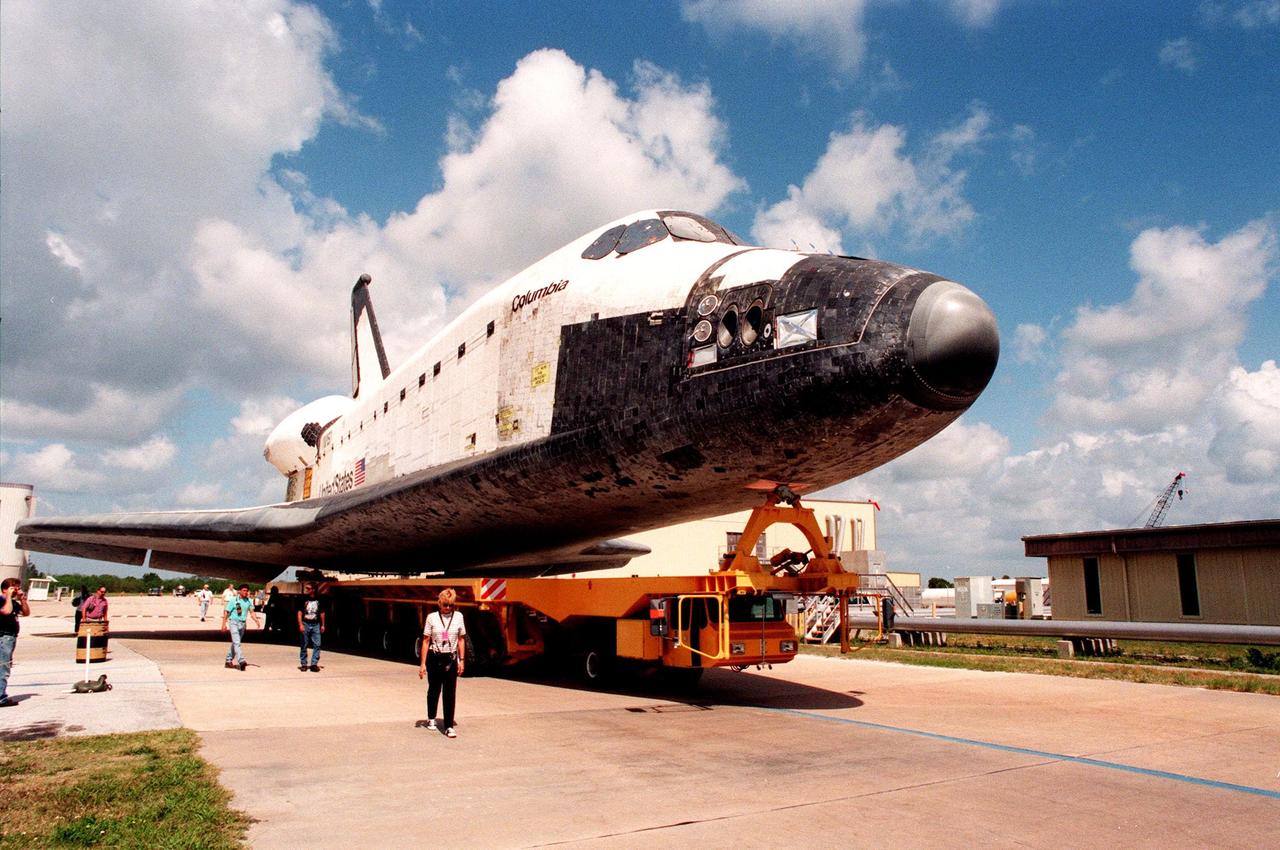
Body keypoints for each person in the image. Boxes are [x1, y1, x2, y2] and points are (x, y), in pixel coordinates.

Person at [418, 588, 466, 738]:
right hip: (435, 657)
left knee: (450, 692)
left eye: (451, 605)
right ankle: (431, 717)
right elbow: (426, 641)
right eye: (445, 605)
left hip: (450, 658)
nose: (448, 608)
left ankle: (449, 726)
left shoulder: (458, 617)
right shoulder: (431, 617)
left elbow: (461, 639)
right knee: (434, 689)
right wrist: (423, 664)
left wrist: (462, 660)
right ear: (439, 604)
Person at [1, 578, 32, 707]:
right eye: (13, 588)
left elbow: (26, 613)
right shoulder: (2, 601)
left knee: (5, 665)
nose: (16, 591)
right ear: (5, 589)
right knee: (3, 667)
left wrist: (22, 599)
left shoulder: (14, 602)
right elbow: (6, 611)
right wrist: (7, 596)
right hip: (3, 637)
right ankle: (1, 696)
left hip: (11, 637)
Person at [221, 584, 261, 671]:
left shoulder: (249, 601)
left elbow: (252, 611)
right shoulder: (233, 600)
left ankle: (228, 661)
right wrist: (223, 624)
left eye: (247, 591)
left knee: (235, 643)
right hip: (233, 622)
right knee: (237, 643)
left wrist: (256, 620)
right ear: (239, 591)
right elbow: (227, 612)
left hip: (242, 624)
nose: (245, 592)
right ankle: (242, 661)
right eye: (244, 590)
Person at [296, 582, 326, 672]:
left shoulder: (319, 600)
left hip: (316, 624)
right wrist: (300, 624)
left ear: (313, 590)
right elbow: (299, 613)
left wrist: (323, 625)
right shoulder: (303, 599)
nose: (306, 590)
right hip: (305, 623)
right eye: (306, 588)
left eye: (308, 589)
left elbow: (322, 613)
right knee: (304, 644)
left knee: (317, 644)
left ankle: (314, 664)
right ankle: (304, 664)